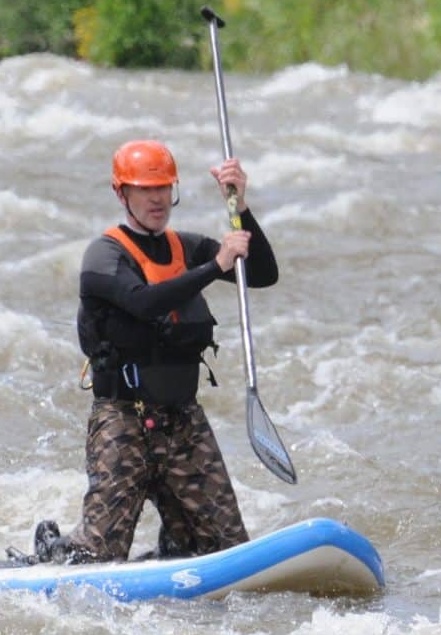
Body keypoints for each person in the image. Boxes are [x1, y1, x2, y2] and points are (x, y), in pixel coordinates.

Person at [25, 139, 280, 564]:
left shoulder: (186, 248)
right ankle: (55, 548)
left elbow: (263, 274)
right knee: (97, 557)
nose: (157, 198)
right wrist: (216, 265)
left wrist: (240, 205)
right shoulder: (104, 256)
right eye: (145, 189)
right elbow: (145, 301)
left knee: (228, 548)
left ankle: (176, 545)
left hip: (184, 422)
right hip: (124, 423)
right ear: (121, 193)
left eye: (163, 187)